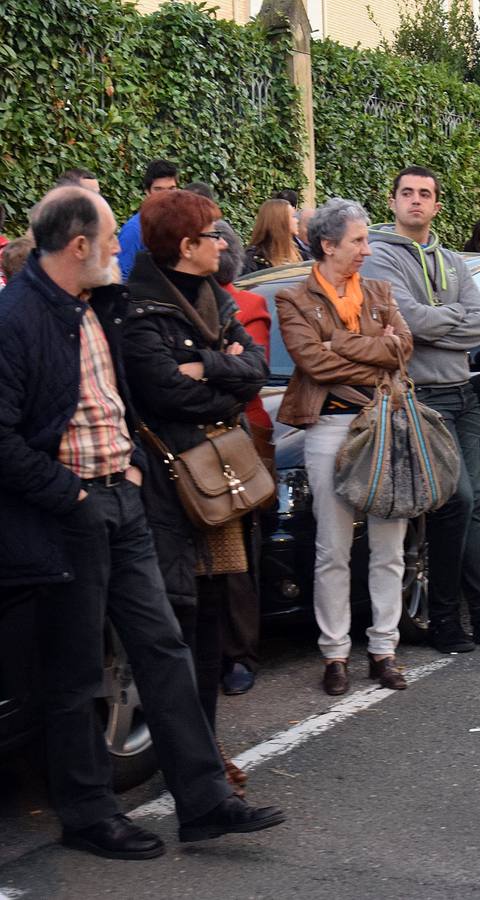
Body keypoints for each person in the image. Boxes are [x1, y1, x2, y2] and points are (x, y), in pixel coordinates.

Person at [0, 186, 283, 860]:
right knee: (75, 675)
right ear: (78, 246)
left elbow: (117, 399)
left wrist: (127, 464)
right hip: (68, 515)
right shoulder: (17, 319)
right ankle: (88, 815)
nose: (118, 252)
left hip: (124, 501)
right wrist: (71, 494)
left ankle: (204, 802)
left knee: (163, 649)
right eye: (108, 241)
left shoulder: (101, 302)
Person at [121, 191, 268, 797]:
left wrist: (207, 367)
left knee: (211, 620)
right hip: (173, 485)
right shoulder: (139, 311)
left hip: (218, 479)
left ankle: (205, 752)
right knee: (178, 624)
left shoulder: (215, 295)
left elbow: (255, 370)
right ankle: (191, 764)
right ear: (186, 247)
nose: (223, 243)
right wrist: (224, 368)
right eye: (212, 234)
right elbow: (163, 394)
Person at [364, 166, 480, 653]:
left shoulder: (451, 260)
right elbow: (409, 321)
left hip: (463, 393)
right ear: (392, 201)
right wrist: (449, 319)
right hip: (421, 397)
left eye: (425, 194)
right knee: (457, 500)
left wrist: (434, 323)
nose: (416, 201)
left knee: (473, 505)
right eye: (407, 193)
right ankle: (446, 617)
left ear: (437, 205)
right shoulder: (379, 257)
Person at [275, 198, 415, 694]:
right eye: (358, 241)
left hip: (383, 422)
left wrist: (340, 343)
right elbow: (312, 362)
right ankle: (334, 654)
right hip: (328, 427)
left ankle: (384, 649)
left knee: (388, 546)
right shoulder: (293, 298)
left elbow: (404, 348)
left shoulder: (379, 290)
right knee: (332, 548)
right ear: (328, 245)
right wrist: (376, 352)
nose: (366, 250)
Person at [214, 221, 270, 696]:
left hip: (241, 438)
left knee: (238, 554)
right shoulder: (167, 309)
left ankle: (239, 652)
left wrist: (204, 367)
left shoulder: (246, 305)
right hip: (191, 443)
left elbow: (248, 377)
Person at [116, 159, 179, 277]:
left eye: (171, 189)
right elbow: (121, 276)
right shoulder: (135, 230)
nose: (166, 196)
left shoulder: (181, 224)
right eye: (158, 190)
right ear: (147, 192)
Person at [242, 198, 305, 274]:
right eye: (293, 216)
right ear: (280, 221)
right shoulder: (253, 260)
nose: (297, 221)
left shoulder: (298, 252)